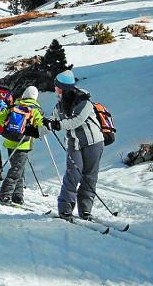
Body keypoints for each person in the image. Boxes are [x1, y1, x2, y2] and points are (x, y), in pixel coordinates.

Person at [44, 70, 104, 222]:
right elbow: (51, 120)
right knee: (73, 175)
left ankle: (85, 211)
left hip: (93, 141)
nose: (54, 89)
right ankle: (65, 211)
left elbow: (77, 120)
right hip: (74, 143)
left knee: (89, 176)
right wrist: (36, 129)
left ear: (63, 87)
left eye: (57, 86)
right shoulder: (59, 105)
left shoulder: (84, 101)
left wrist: (57, 124)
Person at [0, 86, 44, 204]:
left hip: (10, 141)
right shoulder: (35, 110)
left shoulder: (14, 106)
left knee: (18, 169)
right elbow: (41, 127)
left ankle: (17, 195)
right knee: (16, 170)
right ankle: (5, 195)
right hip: (23, 144)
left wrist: (7, 127)